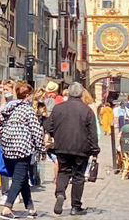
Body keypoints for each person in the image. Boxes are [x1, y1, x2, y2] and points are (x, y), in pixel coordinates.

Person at [44, 82, 100, 216]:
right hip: (81, 148)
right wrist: (95, 150)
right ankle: (76, 206)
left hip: (62, 146)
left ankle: (60, 193)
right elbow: (92, 133)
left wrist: (52, 135)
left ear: (68, 93)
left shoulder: (58, 108)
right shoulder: (87, 110)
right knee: (78, 176)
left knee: (63, 171)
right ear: (81, 94)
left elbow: (48, 126)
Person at [0, 81, 44, 219]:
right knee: (18, 178)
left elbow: (1, 125)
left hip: (7, 146)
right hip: (22, 147)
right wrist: (41, 148)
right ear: (28, 96)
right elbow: (36, 130)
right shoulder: (27, 110)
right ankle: (7, 207)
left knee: (22, 177)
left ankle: (31, 208)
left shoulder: (8, 108)